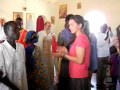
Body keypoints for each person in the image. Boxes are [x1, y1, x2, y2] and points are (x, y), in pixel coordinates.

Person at [54, 15, 91, 90]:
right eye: (69, 25)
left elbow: (80, 60)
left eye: (72, 25)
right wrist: (65, 50)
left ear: (80, 25)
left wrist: (63, 54)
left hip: (79, 75)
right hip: (75, 74)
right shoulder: (79, 37)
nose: (69, 27)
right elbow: (75, 54)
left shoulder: (80, 38)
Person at [0, 21, 28, 90]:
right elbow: (0, 75)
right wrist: (14, 88)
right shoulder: (1, 49)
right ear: (6, 32)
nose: (18, 31)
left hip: (22, 85)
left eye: (18, 29)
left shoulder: (21, 47)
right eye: (15, 29)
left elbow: (23, 66)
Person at [36, 21, 58, 89]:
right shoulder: (40, 33)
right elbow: (39, 45)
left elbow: (54, 44)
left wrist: (54, 38)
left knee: (50, 68)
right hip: (42, 54)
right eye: (48, 26)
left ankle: (50, 83)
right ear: (44, 26)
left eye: (50, 26)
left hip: (50, 54)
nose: (49, 27)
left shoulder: (52, 34)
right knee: (43, 68)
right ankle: (43, 84)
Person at [57, 14, 75, 90]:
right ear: (67, 22)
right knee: (64, 81)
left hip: (74, 61)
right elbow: (59, 48)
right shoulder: (62, 34)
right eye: (70, 21)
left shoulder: (75, 32)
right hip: (65, 61)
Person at [96, 24, 112, 89]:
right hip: (100, 56)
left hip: (106, 55)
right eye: (105, 28)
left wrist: (112, 42)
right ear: (102, 28)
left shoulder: (106, 36)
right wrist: (107, 38)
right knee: (100, 71)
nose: (105, 29)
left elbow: (108, 45)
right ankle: (99, 84)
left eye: (106, 28)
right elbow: (100, 44)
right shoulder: (98, 35)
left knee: (105, 71)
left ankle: (103, 83)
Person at [84, 20, 98, 88]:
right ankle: (87, 82)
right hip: (87, 55)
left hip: (90, 54)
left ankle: (88, 82)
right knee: (87, 70)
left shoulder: (91, 35)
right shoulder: (84, 35)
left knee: (90, 69)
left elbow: (94, 45)